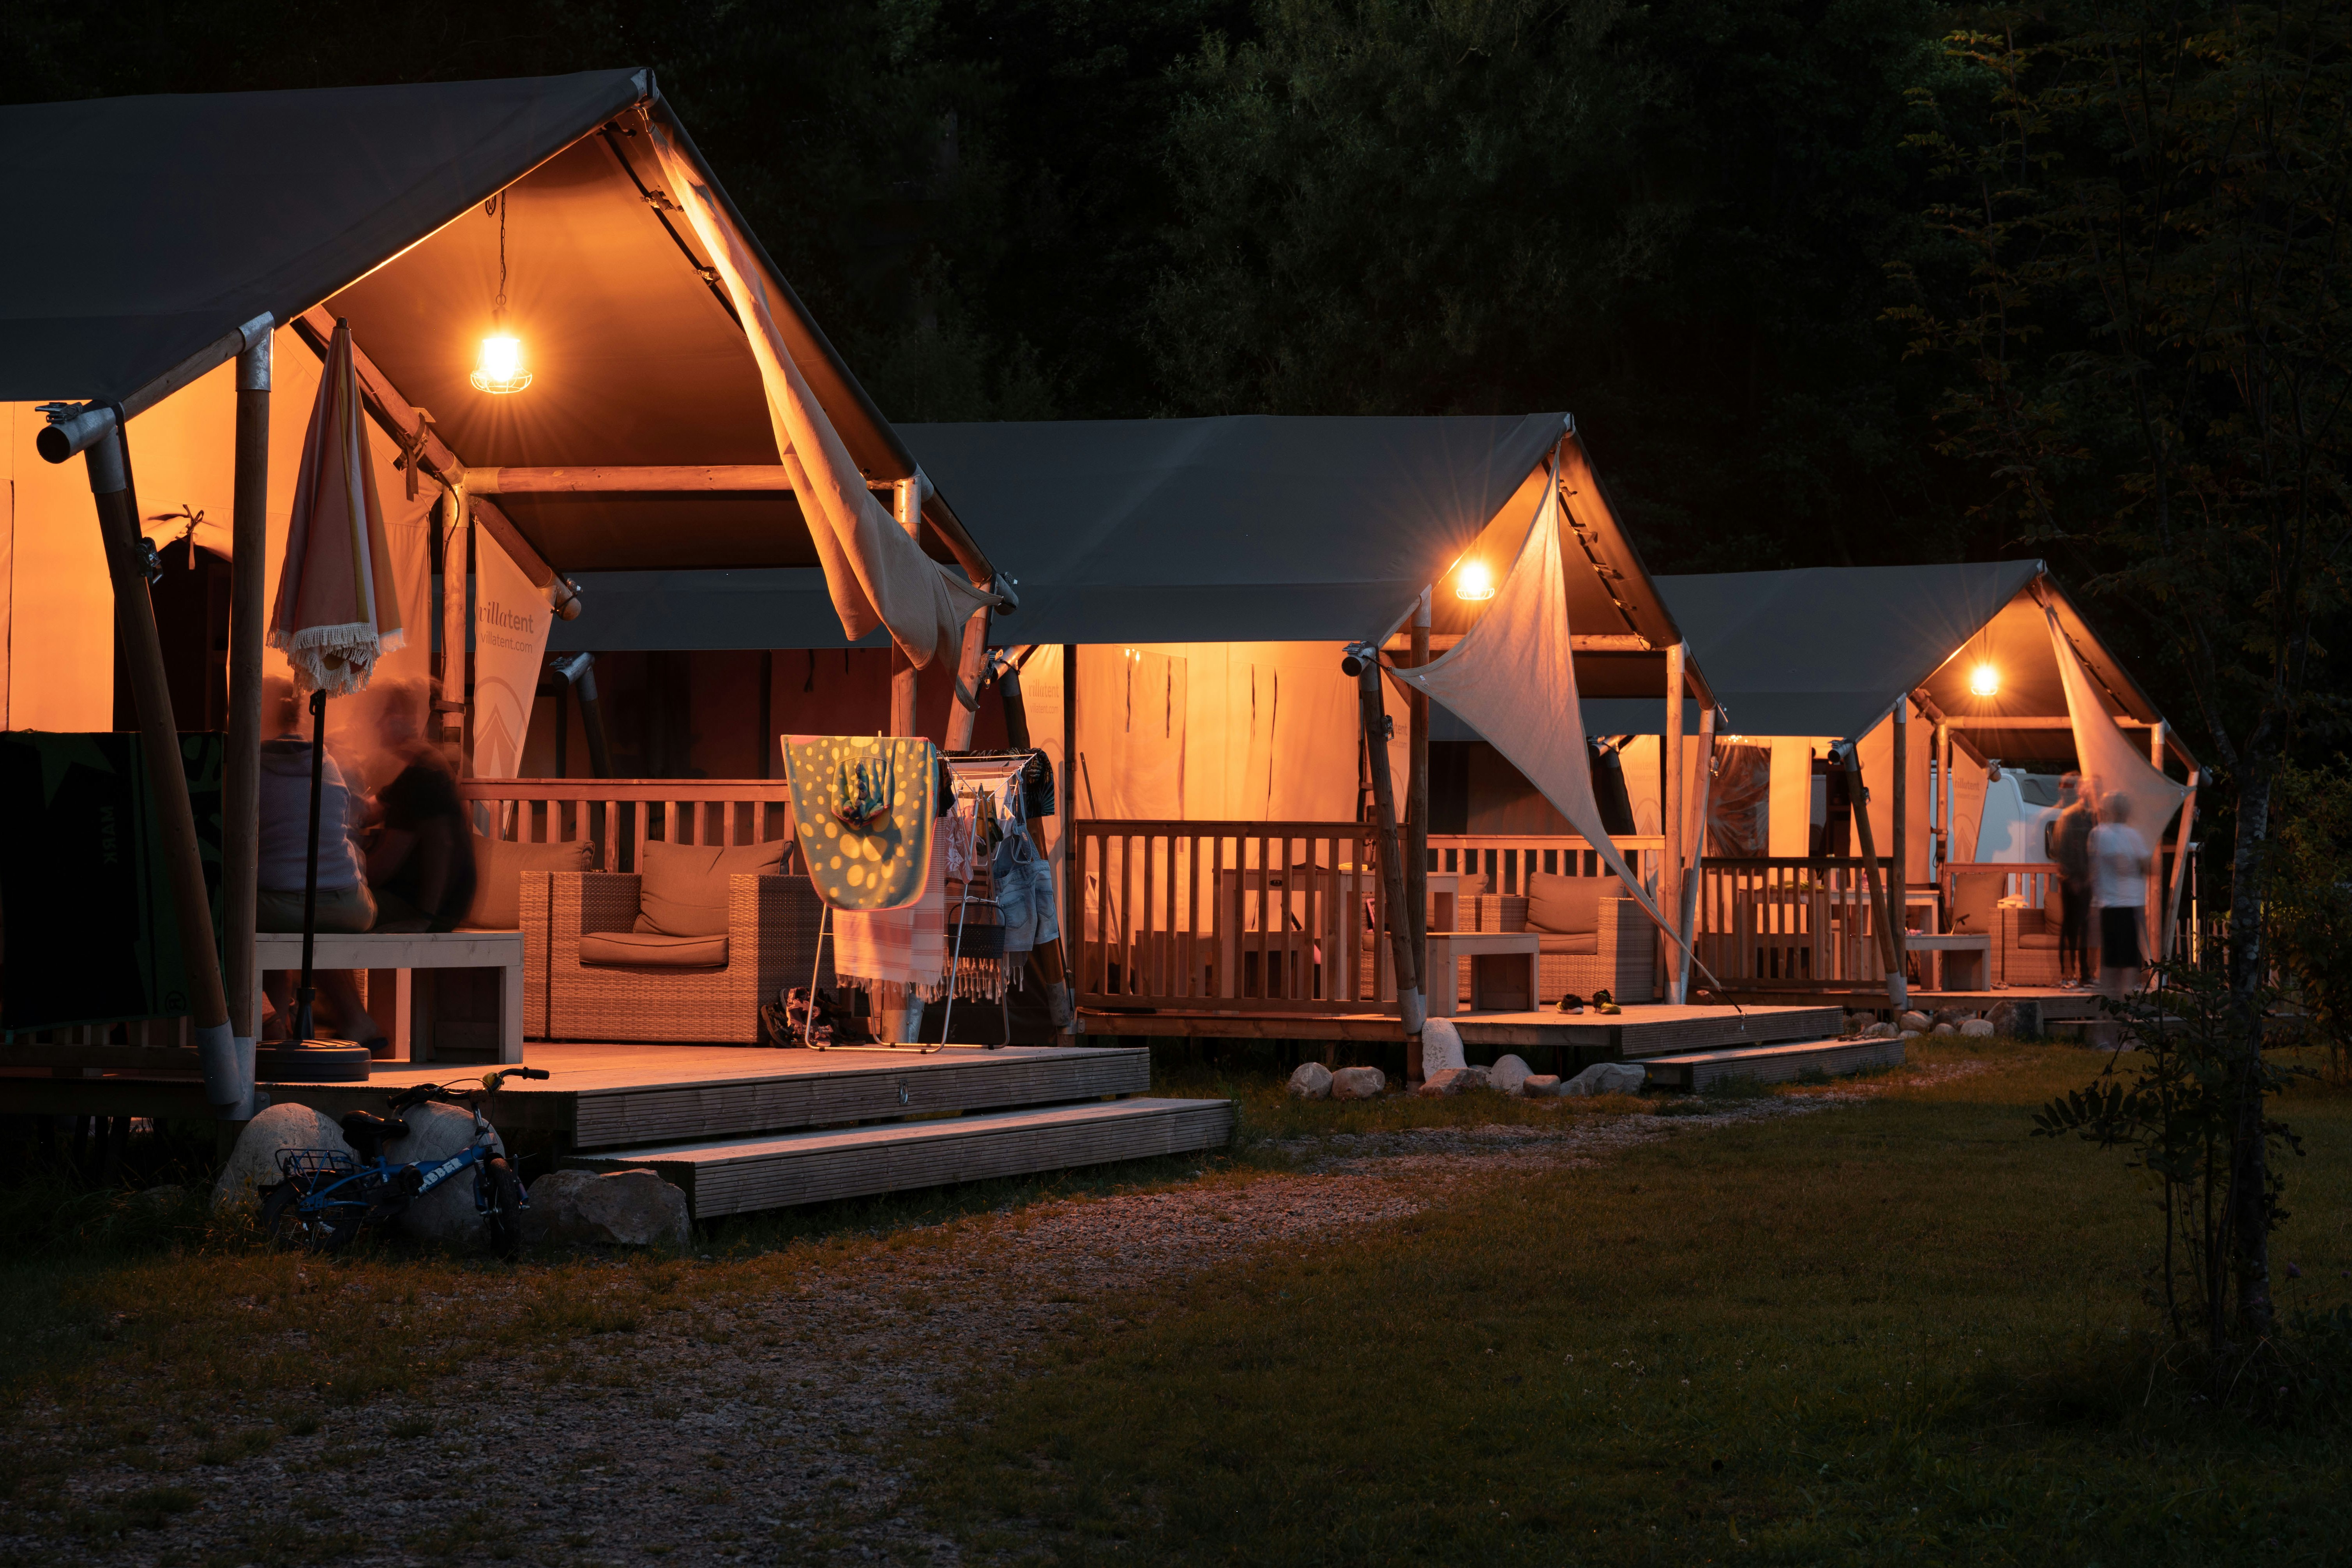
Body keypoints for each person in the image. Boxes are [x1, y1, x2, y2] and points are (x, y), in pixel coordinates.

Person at [257, 675, 379, 1045]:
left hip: (275, 904)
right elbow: (352, 819)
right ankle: (346, 1021)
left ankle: (273, 1025)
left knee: (262, 913)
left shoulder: (248, 768)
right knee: (308, 917)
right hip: (347, 906)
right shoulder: (328, 762)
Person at [364, 680, 477, 931]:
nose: (377, 723)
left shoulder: (423, 774)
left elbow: (383, 867)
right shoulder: (420, 767)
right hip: (439, 904)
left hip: (424, 908)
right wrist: (333, 797)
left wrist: (340, 874)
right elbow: (371, 809)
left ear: (408, 718)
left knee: (335, 912)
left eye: (386, 714)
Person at [2089, 791, 2152, 1002]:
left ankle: (2106, 1016)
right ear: (2125, 811)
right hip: (2129, 905)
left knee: (2109, 963)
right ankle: (2126, 1012)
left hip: (2106, 905)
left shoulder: (2097, 834)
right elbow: (2149, 867)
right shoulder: (2132, 835)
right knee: (2128, 964)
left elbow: (2094, 869)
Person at [2046, 772, 2097, 988]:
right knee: (2071, 927)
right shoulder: (2069, 816)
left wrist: (2090, 875)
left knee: (2085, 926)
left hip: (2087, 880)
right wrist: (2072, 877)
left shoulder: (2094, 816)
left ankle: (2086, 973)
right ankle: (2068, 973)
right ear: (2080, 791)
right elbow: (2062, 849)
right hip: (2072, 880)